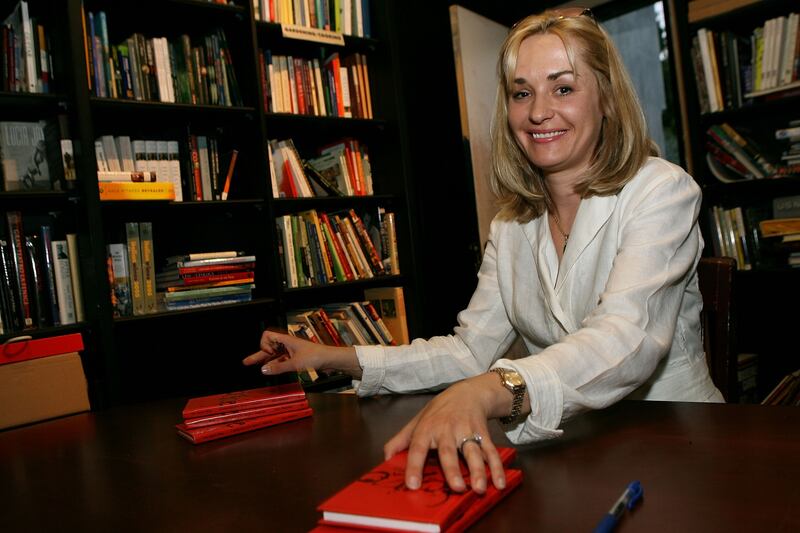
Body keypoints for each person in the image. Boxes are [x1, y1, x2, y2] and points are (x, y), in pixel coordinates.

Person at [244, 7, 722, 496]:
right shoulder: (511, 224)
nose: (538, 112)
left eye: (563, 88)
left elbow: (627, 340)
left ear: (606, 98)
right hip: (575, 449)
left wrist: (490, 390)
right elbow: (471, 351)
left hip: (677, 442)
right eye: (521, 93)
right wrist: (334, 357)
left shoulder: (661, 189)